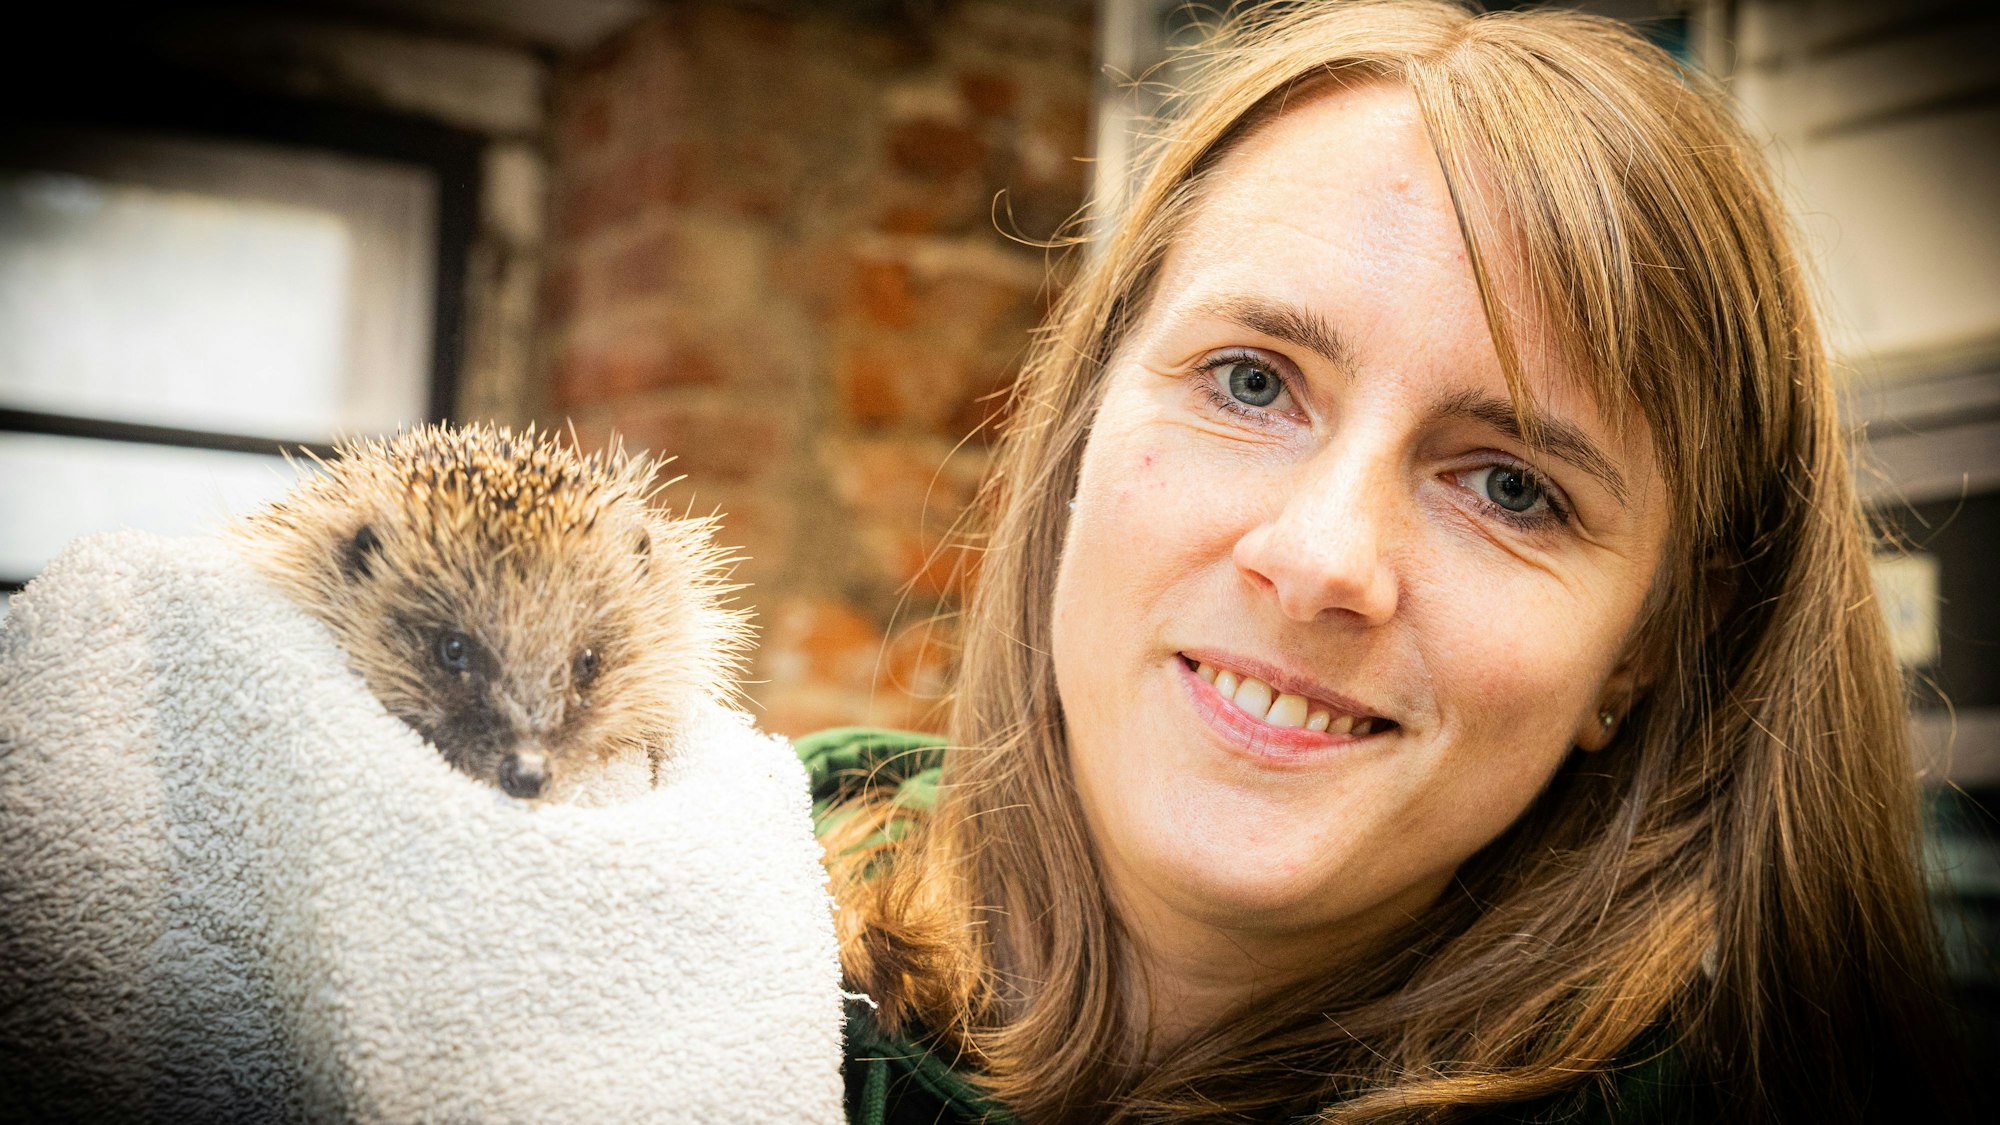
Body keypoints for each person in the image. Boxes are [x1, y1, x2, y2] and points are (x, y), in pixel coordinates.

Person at [801, 2, 1974, 1121]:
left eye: (1511, 487)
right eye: (1250, 382)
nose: (1319, 560)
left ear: (1648, 648)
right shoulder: (689, 891)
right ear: (1081, 422)